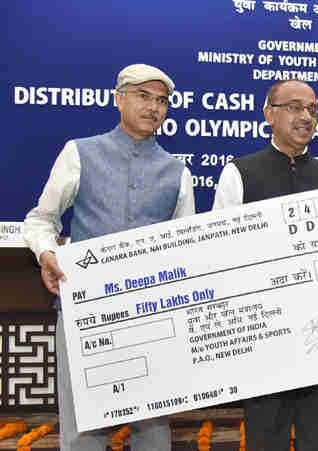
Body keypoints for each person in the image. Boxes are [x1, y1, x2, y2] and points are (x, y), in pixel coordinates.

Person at [23, 63, 195, 450]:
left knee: (153, 432)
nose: (153, 107)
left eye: (162, 101)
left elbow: (184, 248)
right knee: (83, 432)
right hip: (84, 316)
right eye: (142, 96)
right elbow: (40, 220)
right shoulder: (79, 153)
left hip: (151, 320)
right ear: (118, 100)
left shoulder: (177, 172)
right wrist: (47, 253)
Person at [213, 79, 318, 451]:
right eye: (295, 107)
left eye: (313, 109)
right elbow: (218, 255)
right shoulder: (238, 173)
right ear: (269, 114)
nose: (306, 116)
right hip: (263, 337)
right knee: (264, 440)